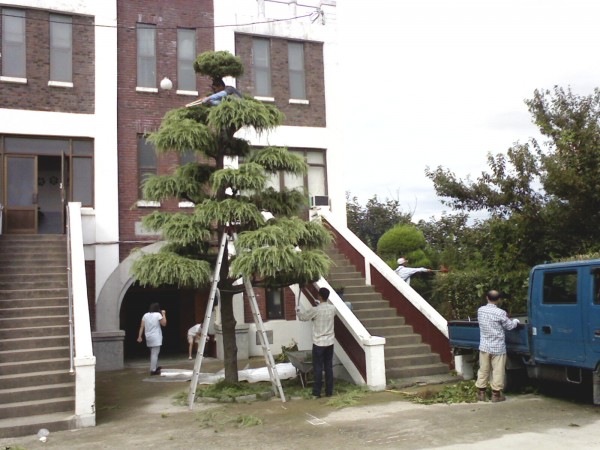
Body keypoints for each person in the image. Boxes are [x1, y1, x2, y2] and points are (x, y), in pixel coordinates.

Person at [475, 290, 520, 402]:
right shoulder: (501, 313)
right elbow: (509, 326)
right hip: (498, 347)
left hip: (484, 346)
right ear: (499, 299)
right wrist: (516, 321)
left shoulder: (480, 310)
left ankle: (481, 393)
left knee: (483, 369)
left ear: (487, 298)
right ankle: (496, 395)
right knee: (498, 371)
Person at [296, 287, 336, 398]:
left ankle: (317, 392)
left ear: (320, 296)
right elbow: (328, 313)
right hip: (330, 342)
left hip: (319, 343)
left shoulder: (315, 310)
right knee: (328, 367)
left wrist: (298, 311)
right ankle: (329, 391)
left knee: (318, 368)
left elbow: (303, 318)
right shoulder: (333, 308)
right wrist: (320, 304)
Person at [137, 303, 167, 375]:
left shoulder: (145, 315)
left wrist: (139, 336)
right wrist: (163, 314)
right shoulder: (158, 315)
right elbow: (164, 324)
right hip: (156, 336)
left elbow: (142, 326)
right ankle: (153, 370)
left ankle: (155, 367)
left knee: (153, 353)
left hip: (148, 337)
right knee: (155, 354)